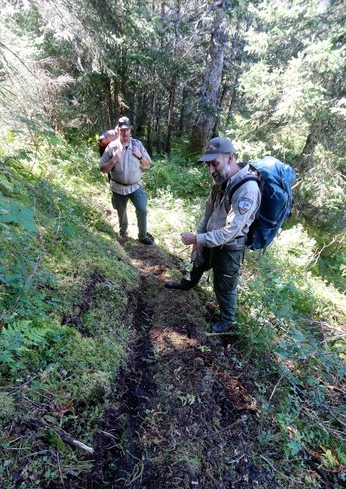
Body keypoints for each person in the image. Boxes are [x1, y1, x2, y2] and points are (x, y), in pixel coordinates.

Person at [165, 137, 261, 333]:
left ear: (230, 158)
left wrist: (197, 239)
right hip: (210, 239)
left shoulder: (248, 189)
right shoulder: (220, 181)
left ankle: (226, 320)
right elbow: (208, 213)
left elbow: (231, 231)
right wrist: (199, 240)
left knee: (224, 285)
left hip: (230, 248)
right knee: (198, 263)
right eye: (208, 164)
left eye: (215, 163)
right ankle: (187, 283)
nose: (211, 170)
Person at [100, 116, 154, 245]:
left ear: (130, 130)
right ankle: (123, 234)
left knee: (142, 209)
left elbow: (147, 165)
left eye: (127, 130)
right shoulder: (112, 147)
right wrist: (113, 159)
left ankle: (143, 235)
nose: (125, 133)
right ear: (118, 130)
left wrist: (139, 156)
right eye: (122, 130)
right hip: (118, 187)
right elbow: (103, 169)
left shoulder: (137, 145)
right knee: (121, 212)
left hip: (135, 186)